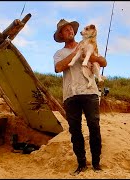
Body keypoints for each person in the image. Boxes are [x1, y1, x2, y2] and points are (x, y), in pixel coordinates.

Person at [53, 19, 107, 175]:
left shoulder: (88, 45)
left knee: (94, 127)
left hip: (90, 92)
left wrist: (93, 58)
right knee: (75, 131)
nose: (70, 31)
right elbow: (58, 67)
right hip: (70, 95)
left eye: (71, 29)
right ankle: (81, 164)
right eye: (66, 30)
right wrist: (76, 52)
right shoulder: (59, 53)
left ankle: (96, 164)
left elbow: (104, 62)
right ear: (61, 35)